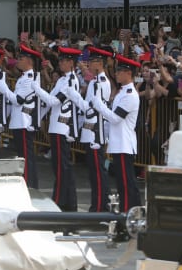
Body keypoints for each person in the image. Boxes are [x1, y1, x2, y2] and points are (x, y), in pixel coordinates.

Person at [76, 55, 141, 211]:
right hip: (118, 143)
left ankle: (129, 212)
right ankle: (130, 211)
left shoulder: (130, 94)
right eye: (117, 71)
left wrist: (98, 105)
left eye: (120, 71)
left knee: (127, 182)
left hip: (124, 143)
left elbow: (115, 118)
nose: (117, 74)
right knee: (122, 182)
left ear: (128, 73)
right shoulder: (122, 92)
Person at [32, 46, 82, 212]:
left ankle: (62, 200)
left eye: (63, 61)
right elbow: (49, 101)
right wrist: (37, 117)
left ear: (71, 62)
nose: (60, 63)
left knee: (62, 166)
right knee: (59, 166)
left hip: (62, 126)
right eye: (59, 60)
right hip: (55, 125)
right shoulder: (62, 80)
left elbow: (54, 101)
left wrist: (37, 89)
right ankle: (67, 200)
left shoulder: (71, 80)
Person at [74, 47, 112, 211]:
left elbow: (90, 109)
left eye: (91, 61)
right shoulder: (96, 82)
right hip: (92, 131)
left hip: (96, 132)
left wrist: (74, 96)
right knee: (95, 171)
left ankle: (100, 206)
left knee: (97, 172)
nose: (88, 63)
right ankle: (99, 204)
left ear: (100, 63)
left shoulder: (99, 83)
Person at [6, 45, 43, 189]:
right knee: (23, 156)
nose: (17, 61)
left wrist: (4, 88)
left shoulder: (30, 78)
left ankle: (30, 185)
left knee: (26, 157)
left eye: (20, 58)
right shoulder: (24, 77)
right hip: (18, 121)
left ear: (29, 60)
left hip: (24, 121)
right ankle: (27, 183)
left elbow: (18, 100)